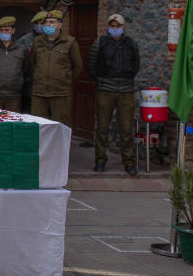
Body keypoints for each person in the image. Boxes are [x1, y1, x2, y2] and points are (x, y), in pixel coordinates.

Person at [87, 13, 141, 175]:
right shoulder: (100, 43)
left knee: (126, 129)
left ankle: (129, 161)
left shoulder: (131, 44)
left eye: (118, 26)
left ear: (123, 27)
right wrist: (101, 80)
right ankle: (100, 160)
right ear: (108, 27)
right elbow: (91, 65)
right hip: (106, 89)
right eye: (112, 26)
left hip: (126, 90)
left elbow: (136, 64)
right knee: (102, 128)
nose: (115, 29)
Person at [30, 10, 83, 126]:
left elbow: (77, 66)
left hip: (60, 93)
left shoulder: (70, 42)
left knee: (60, 126)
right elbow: (32, 63)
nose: (48, 25)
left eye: (52, 22)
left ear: (60, 25)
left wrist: (65, 79)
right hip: (40, 93)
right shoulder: (37, 41)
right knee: (39, 126)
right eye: (46, 22)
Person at [0, 16, 30, 112]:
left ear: (13, 30)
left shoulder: (22, 49)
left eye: (7, 30)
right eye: (1, 30)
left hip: (14, 95)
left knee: (13, 123)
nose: (4, 33)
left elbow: (26, 70)